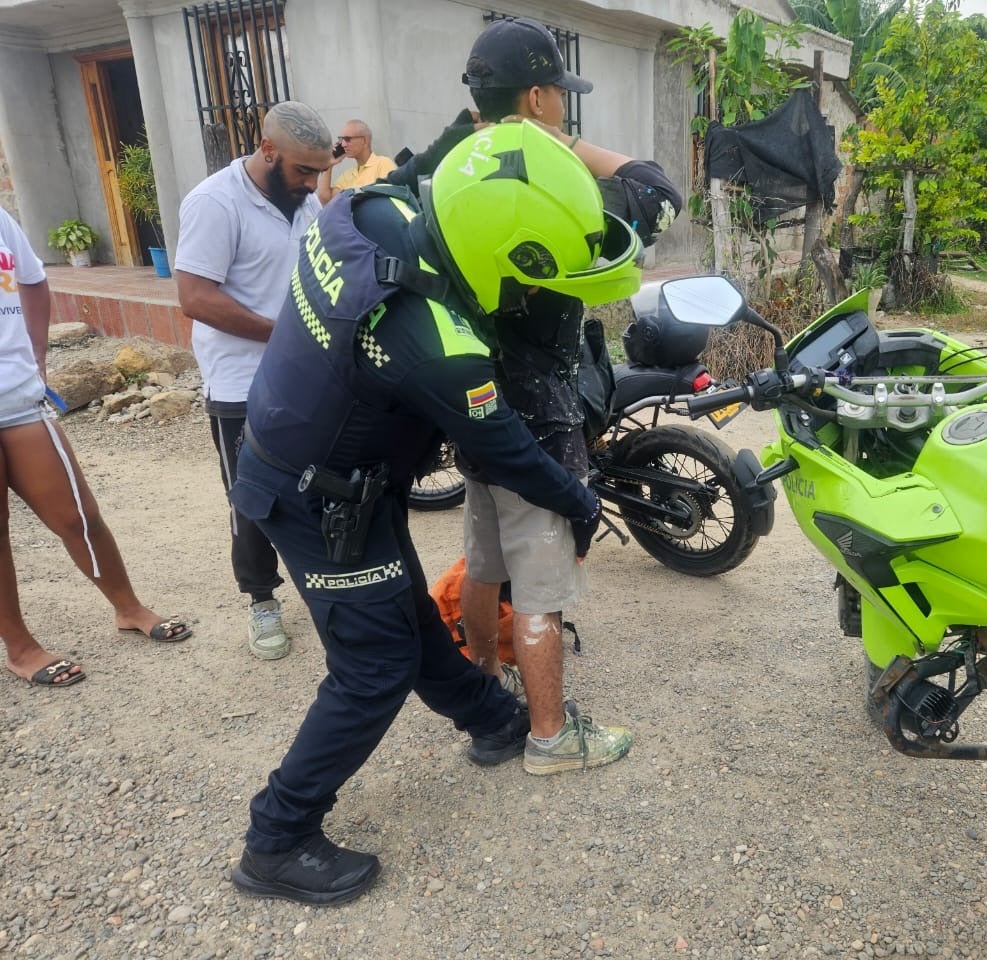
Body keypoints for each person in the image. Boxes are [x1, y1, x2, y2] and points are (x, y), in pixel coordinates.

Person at [226, 120, 643, 905]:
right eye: (529, 281)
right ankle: (276, 837)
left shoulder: (376, 209)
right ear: (497, 258)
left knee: (407, 619)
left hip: (327, 467)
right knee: (373, 665)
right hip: (316, 497)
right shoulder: (440, 346)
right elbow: (517, 453)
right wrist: (583, 502)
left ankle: (493, 717)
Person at [444, 15, 682, 775]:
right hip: (540, 397)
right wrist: (559, 144)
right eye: (558, 96)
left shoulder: (444, 164)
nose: (564, 109)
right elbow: (657, 191)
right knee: (541, 574)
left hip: (463, 380)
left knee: (484, 555)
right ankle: (550, 737)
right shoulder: (549, 170)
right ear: (541, 94)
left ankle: (488, 690)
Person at [0, 208, 190, 688]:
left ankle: (128, 608)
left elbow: (32, 280)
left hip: (17, 396)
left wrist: (38, 354)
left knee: (78, 515)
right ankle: (20, 647)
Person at [175, 100, 332, 661]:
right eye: (303, 171)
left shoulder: (306, 201)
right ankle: (262, 600)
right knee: (252, 497)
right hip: (241, 382)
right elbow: (195, 297)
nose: (314, 184)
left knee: (320, 483)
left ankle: (326, 590)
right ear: (268, 151)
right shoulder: (215, 202)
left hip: (305, 373)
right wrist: (284, 335)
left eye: (320, 172)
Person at [317, 119, 395, 206]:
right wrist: (329, 164)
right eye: (341, 139)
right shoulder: (347, 175)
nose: (343, 144)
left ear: (364, 141)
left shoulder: (383, 163)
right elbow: (325, 199)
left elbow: (386, 198)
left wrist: (348, 195)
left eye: (347, 139)